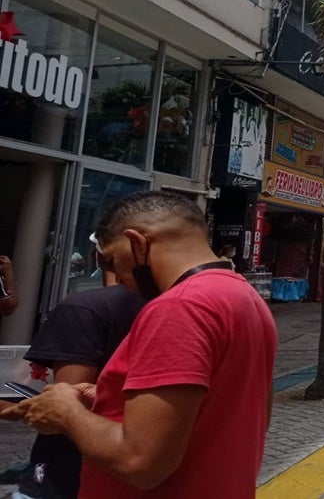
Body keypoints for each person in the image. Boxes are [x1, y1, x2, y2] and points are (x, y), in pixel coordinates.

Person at [17, 191, 276, 498]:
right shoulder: (244, 297)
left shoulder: (179, 307)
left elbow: (140, 463)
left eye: (113, 260)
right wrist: (110, 399)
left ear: (137, 242)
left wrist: (66, 412)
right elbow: (228, 407)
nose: (117, 276)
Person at [4, 274, 143, 499]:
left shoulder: (83, 307)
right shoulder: (175, 304)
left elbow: (64, 409)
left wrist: (23, 409)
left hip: (68, 474)